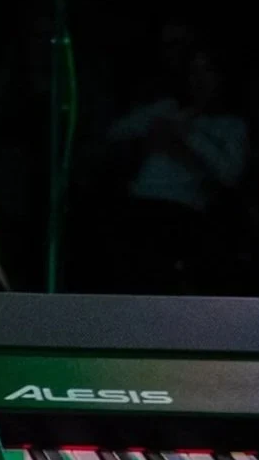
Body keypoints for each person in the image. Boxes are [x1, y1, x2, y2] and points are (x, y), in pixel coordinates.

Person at [101, 40, 248, 292]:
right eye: (194, 71)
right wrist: (154, 133)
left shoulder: (230, 126)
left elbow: (230, 175)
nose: (199, 79)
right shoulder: (167, 109)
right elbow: (114, 133)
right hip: (138, 203)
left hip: (183, 212)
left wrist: (188, 137)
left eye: (207, 71)